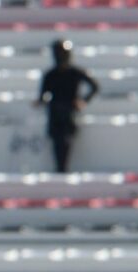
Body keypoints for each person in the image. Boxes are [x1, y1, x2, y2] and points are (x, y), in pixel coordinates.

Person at [33, 39, 98, 173]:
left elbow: (94, 87)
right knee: (57, 141)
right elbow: (43, 96)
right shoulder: (50, 75)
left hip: (69, 113)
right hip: (55, 113)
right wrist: (40, 102)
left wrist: (84, 101)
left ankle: (63, 169)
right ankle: (60, 169)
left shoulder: (75, 73)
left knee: (66, 140)